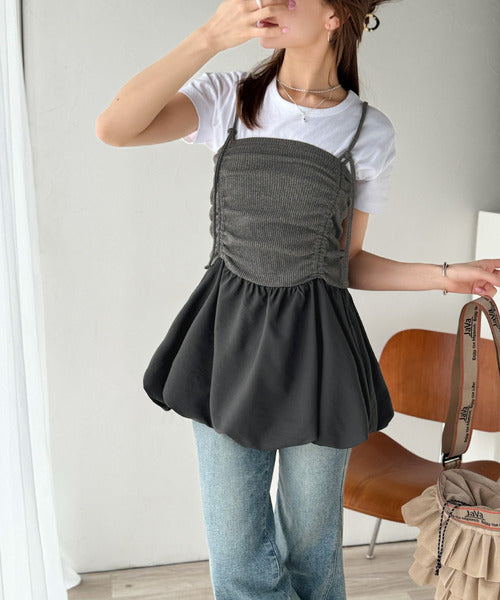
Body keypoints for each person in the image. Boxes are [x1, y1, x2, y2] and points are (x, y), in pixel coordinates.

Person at [96, 1, 500, 598]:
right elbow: (114, 128)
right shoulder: (228, 98)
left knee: (312, 554)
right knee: (238, 559)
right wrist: (208, 37)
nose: (268, 3)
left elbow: (347, 262)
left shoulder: (368, 131)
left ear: (334, 15)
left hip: (320, 355)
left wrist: (445, 276)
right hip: (227, 347)